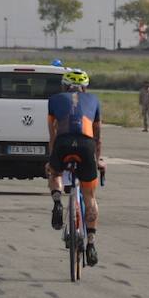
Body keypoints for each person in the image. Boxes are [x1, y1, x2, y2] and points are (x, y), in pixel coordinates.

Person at [46, 68, 103, 266]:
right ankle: (91, 243)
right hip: (86, 146)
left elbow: (52, 133)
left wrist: (52, 159)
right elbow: (97, 135)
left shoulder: (54, 99)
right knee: (90, 196)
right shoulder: (94, 100)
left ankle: (57, 201)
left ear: (64, 86)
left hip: (62, 143)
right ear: (85, 88)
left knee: (55, 173)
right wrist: (98, 158)